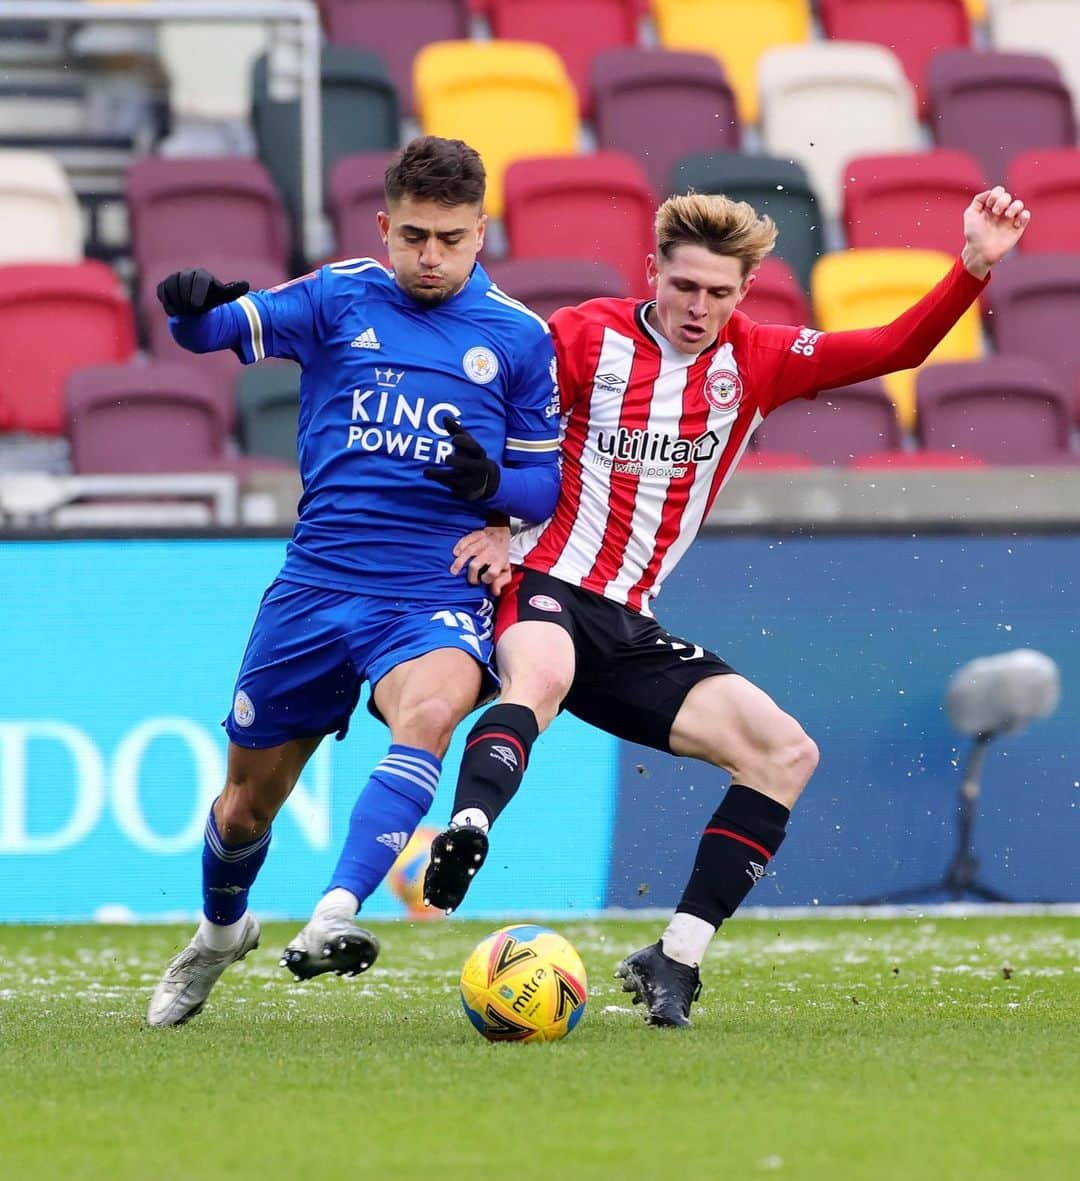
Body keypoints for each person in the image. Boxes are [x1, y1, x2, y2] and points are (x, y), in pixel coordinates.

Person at [423, 185, 1032, 1027]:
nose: (698, 307)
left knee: (786, 753)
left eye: (718, 292)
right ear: (653, 274)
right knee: (542, 672)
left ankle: (676, 957)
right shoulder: (584, 337)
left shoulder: (758, 359)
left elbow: (895, 346)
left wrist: (971, 268)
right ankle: (468, 829)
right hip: (542, 582)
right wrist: (493, 523)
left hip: (630, 624)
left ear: (746, 293)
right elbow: (502, 435)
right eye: (684, 287)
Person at [146, 135, 561, 1027]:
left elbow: (543, 486)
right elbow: (217, 330)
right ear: (384, 226)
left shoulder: (519, 339)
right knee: (247, 804)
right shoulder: (339, 296)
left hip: (430, 589)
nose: (431, 255)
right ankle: (221, 934)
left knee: (431, 714)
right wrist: (188, 309)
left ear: (482, 231)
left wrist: (488, 486)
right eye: (414, 235)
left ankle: (333, 914)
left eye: (451, 237)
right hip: (318, 583)